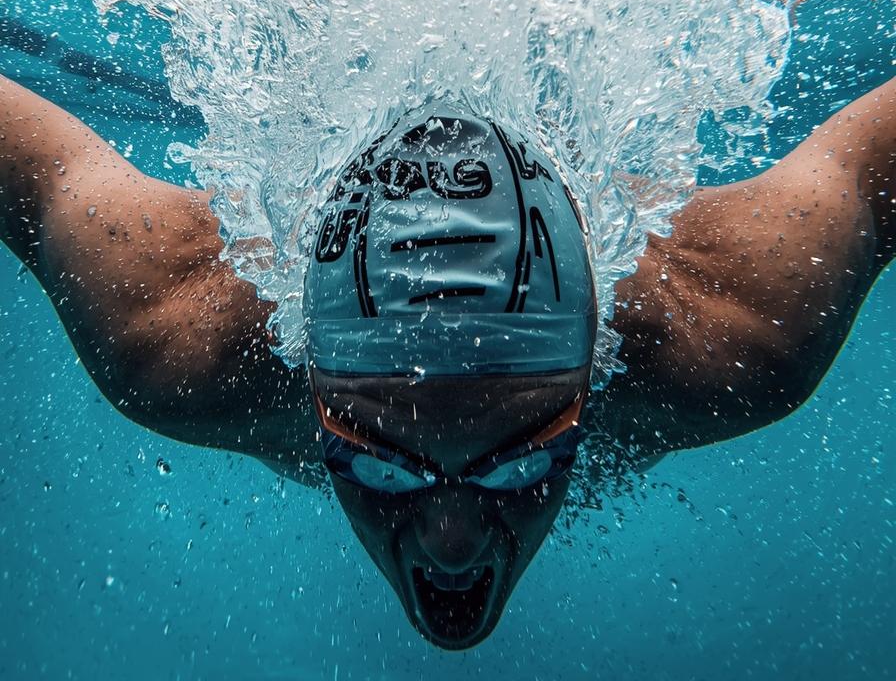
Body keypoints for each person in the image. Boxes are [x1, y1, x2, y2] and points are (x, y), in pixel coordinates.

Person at [1, 72, 893, 648]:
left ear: (597, 365)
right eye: (384, 468)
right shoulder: (180, 331)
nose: (454, 544)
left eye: (527, 461)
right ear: (303, 370)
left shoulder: (731, 327)